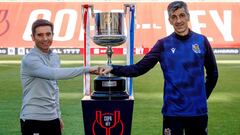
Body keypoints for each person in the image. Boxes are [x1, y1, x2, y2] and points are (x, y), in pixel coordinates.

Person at [99, 1, 218, 135]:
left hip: (198, 113)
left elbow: (213, 73)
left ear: (188, 17)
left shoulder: (202, 41)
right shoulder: (163, 44)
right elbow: (139, 68)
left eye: (182, 15)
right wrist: (113, 68)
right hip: (173, 113)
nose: (178, 20)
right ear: (169, 20)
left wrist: (201, 97)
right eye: (174, 17)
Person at [20, 19, 99, 135]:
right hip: (33, 119)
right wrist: (87, 69)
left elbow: (54, 88)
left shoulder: (54, 57)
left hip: (52, 119)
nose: (45, 38)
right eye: (40, 35)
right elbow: (54, 74)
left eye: (48, 34)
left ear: (53, 35)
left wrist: (58, 115)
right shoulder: (30, 59)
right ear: (33, 37)